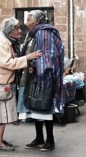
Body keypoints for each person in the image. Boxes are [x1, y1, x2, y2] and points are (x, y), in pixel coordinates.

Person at [0, 17, 42, 151]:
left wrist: (26, 64)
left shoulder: (8, 40)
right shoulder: (0, 42)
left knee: (2, 113)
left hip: (3, 81)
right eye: (17, 29)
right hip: (0, 82)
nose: (20, 31)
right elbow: (7, 63)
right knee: (2, 113)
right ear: (10, 31)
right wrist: (28, 58)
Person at [17, 10, 64, 152]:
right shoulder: (33, 34)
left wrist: (36, 67)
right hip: (34, 77)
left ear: (37, 21)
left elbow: (48, 55)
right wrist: (30, 65)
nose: (26, 21)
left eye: (29, 18)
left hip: (44, 77)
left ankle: (50, 140)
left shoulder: (44, 33)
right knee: (35, 107)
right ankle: (39, 138)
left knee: (44, 107)